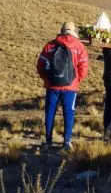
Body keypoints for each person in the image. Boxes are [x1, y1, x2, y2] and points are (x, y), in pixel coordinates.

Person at [37, 22, 89, 151]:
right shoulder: (79, 46)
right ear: (73, 31)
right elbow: (84, 68)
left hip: (52, 86)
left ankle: (48, 141)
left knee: (50, 112)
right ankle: (66, 142)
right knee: (68, 113)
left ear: (61, 30)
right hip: (70, 88)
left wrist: (46, 78)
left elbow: (40, 65)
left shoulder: (50, 45)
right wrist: (76, 80)